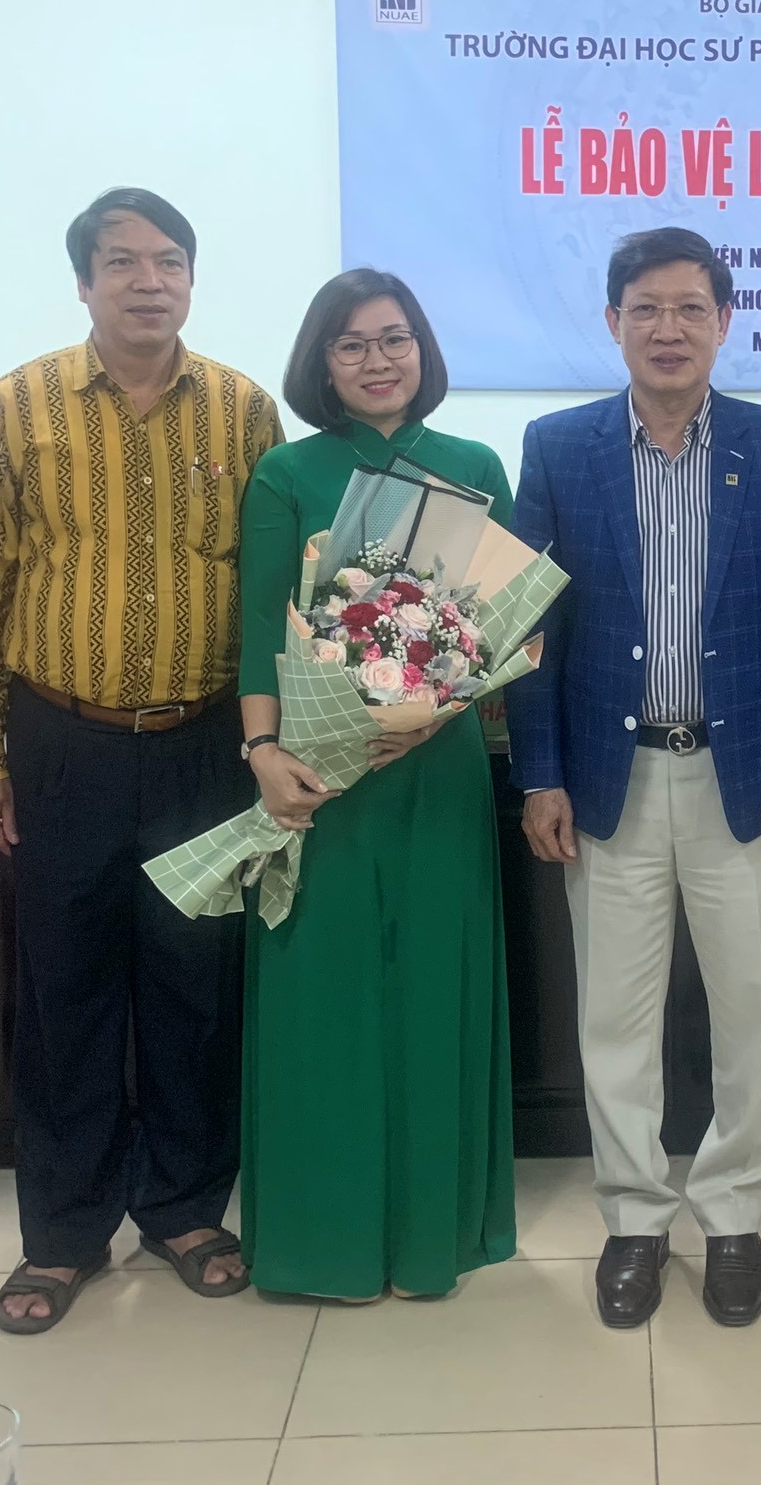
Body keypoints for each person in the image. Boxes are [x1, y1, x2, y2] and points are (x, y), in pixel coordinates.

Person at [0, 188, 283, 1334]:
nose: (149, 281)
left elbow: (271, 585)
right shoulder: (17, 405)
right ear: (83, 282)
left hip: (203, 747)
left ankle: (185, 1210)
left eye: (169, 260)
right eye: (123, 262)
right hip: (61, 745)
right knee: (65, 994)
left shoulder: (244, 409)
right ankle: (63, 1233)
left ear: (191, 279)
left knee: (195, 988)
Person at [506, 226, 761, 1330]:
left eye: (691, 308)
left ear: (724, 321)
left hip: (742, 780)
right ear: (613, 322)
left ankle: (736, 1213)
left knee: (749, 1011)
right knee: (614, 1016)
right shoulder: (558, 447)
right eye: (646, 309)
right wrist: (539, 773)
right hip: (608, 780)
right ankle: (635, 1218)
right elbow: (529, 630)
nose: (669, 329)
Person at [234, 270, 517, 1301]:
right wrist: (266, 753)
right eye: (350, 345)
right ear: (322, 363)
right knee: (328, 1001)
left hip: (436, 768)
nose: (377, 360)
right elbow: (259, 629)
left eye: (394, 338)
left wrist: (437, 710)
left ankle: (429, 1237)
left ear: (422, 348)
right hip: (321, 773)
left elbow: (505, 624)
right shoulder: (287, 473)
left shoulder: (472, 466)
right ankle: (327, 1243)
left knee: (435, 988)